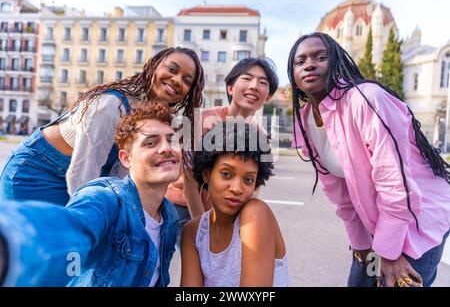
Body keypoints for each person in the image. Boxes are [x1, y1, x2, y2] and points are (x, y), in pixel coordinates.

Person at [287, 32, 450, 287]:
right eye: (300, 61)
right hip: (379, 223)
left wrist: (389, 253)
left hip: (419, 219)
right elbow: (340, 192)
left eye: (320, 57)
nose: (309, 64)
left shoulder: (366, 99)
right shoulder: (307, 121)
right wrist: (362, 244)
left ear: (337, 63)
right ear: (293, 74)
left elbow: (394, 183)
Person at [0, 101, 180, 286]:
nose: (166, 148)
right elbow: (72, 226)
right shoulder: (106, 199)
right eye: (151, 142)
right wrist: (9, 242)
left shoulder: (169, 217)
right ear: (126, 159)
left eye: (172, 140)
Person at [0, 47, 204, 206]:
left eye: (187, 80)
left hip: (79, 179)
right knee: (44, 252)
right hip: (37, 172)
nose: (177, 80)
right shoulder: (110, 105)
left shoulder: (151, 116)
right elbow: (82, 172)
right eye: (171, 69)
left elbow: (120, 173)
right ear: (154, 66)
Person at [180, 121, 291, 287]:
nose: (237, 189)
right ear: (206, 174)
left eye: (248, 180)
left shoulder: (255, 214)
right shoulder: (193, 232)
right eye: (226, 174)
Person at [180, 57, 279, 221]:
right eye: (247, 78)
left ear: (268, 97)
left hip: (225, 218)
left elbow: (254, 188)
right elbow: (189, 182)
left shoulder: (262, 137)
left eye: (263, 82)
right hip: (186, 209)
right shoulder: (203, 120)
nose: (254, 86)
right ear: (231, 88)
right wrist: (201, 227)